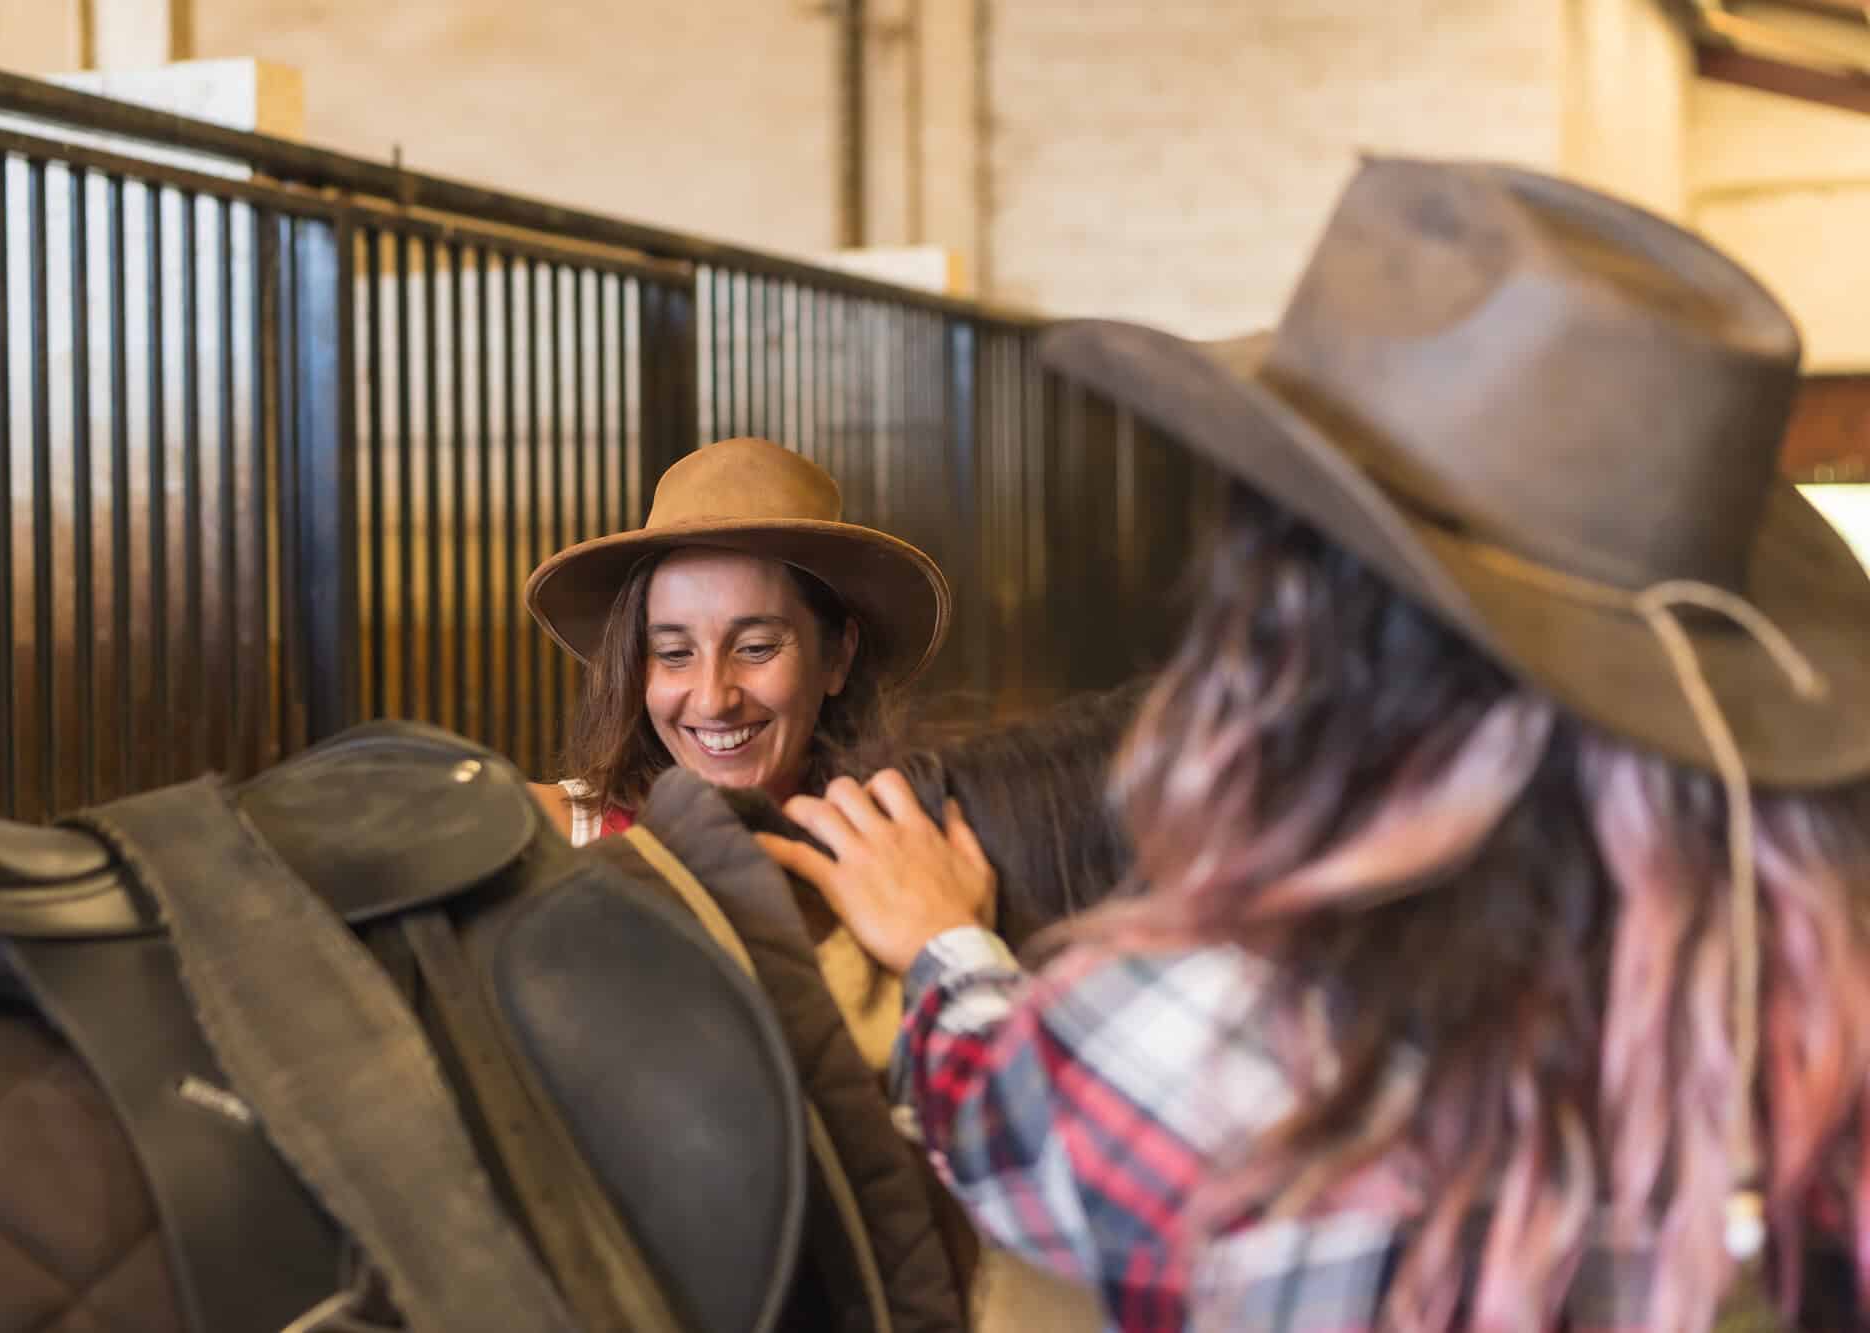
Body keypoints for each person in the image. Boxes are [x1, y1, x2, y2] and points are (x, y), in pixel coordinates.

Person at [758, 157, 1870, 1331]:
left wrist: (944, 947)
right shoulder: (1812, 1026)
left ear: (1299, 636)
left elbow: (1004, 1118)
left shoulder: (1226, 1043)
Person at [523, 434, 951, 844]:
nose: (713, 700)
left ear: (837, 656)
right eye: (674, 653)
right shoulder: (552, 841)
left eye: (756, 648)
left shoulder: (906, 853)